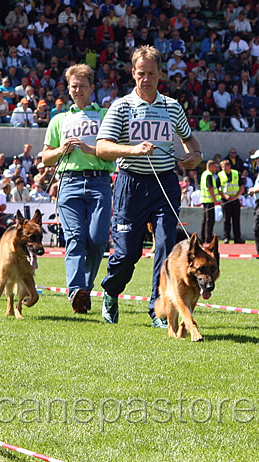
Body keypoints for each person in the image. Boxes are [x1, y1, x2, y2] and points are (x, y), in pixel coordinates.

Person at [96, 46, 202, 327]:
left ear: (160, 75)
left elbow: (191, 142)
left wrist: (194, 157)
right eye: (141, 74)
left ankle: (159, 310)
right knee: (127, 253)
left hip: (165, 184)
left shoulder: (172, 106)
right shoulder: (121, 107)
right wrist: (132, 150)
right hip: (130, 185)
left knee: (167, 250)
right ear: (133, 73)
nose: (146, 79)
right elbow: (101, 148)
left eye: (151, 74)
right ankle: (111, 292)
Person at [42, 64, 115, 315]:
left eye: (83, 86)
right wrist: (61, 150)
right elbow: (45, 158)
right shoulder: (59, 119)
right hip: (69, 183)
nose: (78, 90)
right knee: (75, 238)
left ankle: (85, 288)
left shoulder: (106, 115)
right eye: (73, 86)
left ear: (92, 88)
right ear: (68, 88)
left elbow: (114, 150)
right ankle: (76, 291)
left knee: (96, 241)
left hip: (100, 181)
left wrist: (91, 150)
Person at [218, 159, 245, 244]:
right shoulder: (220, 175)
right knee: (226, 220)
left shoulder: (236, 173)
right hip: (225, 200)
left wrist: (236, 196)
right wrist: (225, 196)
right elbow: (217, 189)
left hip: (235, 200)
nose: (224, 169)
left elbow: (242, 186)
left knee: (236, 219)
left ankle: (237, 238)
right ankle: (227, 237)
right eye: (222, 167)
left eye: (225, 167)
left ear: (229, 166)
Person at [200, 160, 220, 244]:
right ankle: (208, 238)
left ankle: (203, 237)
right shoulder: (209, 175)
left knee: (205, 220)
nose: (215, 168)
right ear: (211, 166)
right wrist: (215, 200)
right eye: (214, 166)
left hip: (205, 200)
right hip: (209, 200)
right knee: (210, 220)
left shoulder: (204, 174)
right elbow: (210, 188)